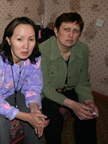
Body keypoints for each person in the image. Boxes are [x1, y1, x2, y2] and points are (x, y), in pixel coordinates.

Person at [0, 17, 49, 144]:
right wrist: (27, 117)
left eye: (31, 39)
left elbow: (33, 87)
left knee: (36, 113)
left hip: (11, 93)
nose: (26, 46)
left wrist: (34, 109)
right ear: (9, 40)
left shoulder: (34, 58)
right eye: (19, 39)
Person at [39, 12, 99, 144]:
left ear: (79, 34)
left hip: (71, 88)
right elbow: (46, 87)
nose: (71, 34)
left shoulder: (82, 49)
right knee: (52, 114)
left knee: (88, 113)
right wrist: (73, 105)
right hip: (50, 92)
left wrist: (88, 100)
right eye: (66, 29)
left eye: (76, 30)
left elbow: (83, 81)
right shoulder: (43, 50)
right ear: (56, 31)